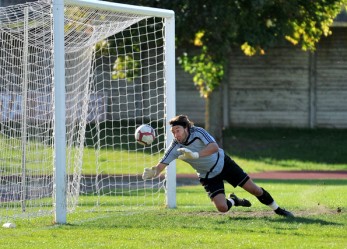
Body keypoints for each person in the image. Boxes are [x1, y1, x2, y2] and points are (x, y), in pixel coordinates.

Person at [142, 115, 294, 217]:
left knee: (255, 189)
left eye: (178, 130)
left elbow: (214, 147)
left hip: (223, 164)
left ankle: (278, 210)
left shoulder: (198, 132)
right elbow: (161, 166)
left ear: (186, 128)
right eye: (173, 132)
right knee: (222, 208)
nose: (176, 135)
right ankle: (235, 201)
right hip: (207, 175)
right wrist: (153, 172)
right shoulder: (174, 147)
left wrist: (196, 155)